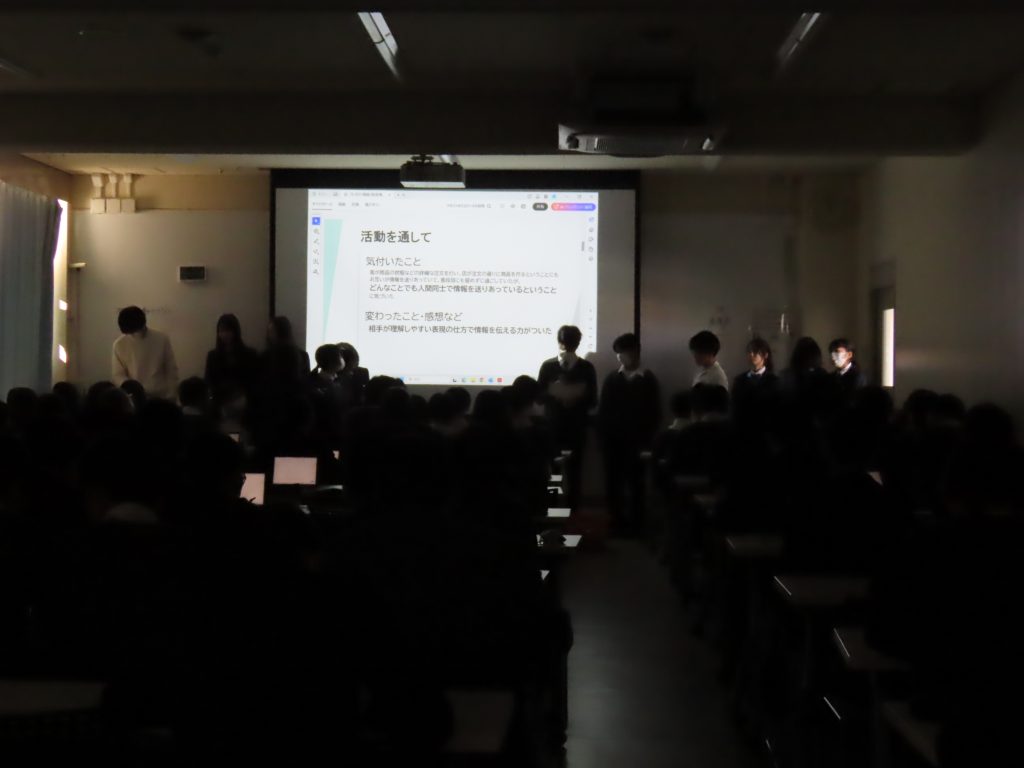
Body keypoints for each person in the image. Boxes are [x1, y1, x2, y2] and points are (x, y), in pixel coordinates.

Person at [598, 333, 661, 535]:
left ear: (635, 352)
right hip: (613, 443)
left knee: (637, 484)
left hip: (638, 443)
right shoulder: (612, 379)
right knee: (613, 484)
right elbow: (603, 412)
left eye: (623, 352)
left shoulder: (648, 379)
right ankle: (615, 523)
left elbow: (654, 414)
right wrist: (604, 440)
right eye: (618, 353)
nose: (620, 357)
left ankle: (636, 525)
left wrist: (647, 441)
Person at [537, 325, 597, 511]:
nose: (567, 345)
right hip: (553, 429)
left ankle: (572, 514)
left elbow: (593, 400)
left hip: (576, 429)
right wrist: (555, 394)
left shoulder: (586, 368)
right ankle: (554, 511)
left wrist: (575, 397)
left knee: (574, 473)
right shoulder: (548, 366)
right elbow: (539, 398)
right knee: (555, 473)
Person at [111, 306, 179, 400]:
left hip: (161, 396)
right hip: (135, 397)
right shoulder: (119, 344)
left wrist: (172, 393)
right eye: (131, 332)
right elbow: (118, 375)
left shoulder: (161, 339)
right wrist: (132, 390)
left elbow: (171, 369)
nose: (135, 334)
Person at [205, 314, 260, 409]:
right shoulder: (212, 356)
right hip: (220, 403)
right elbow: (208, 380)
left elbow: (255, 381)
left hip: (245, 403)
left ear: (235, 331)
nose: (224, 334)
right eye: (221, 331)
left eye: (228, 330)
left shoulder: (250, 354)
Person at [732, 337, 779, 421]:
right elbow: (735, 408)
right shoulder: (739, 380)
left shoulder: (774, 381)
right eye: (749, 352)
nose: (751, 354)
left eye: (755, 351)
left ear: (765, 355)